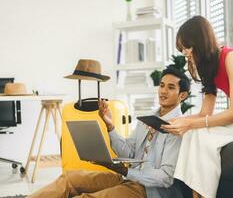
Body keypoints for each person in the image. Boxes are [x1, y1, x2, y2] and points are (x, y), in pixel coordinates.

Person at [28, 67, 191, 198]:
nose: (163, 91)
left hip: (150, 192)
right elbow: (129, 151)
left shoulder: (179, 128)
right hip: (127, 179)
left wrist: (126, 171)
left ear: (182, 95)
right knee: (69, 179)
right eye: (162, 85)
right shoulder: (148, 118)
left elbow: (165, 178)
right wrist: (110, 126)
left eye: (171, 87)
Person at [161, 15, 233, 198]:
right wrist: (176, 121)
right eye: (182, 49)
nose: (185, 53)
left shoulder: (232, 58)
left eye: (187, 47)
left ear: (200, 42)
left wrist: (189, 124)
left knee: (200, 134)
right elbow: (205, 113)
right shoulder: (209, 67)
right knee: (193, 133)